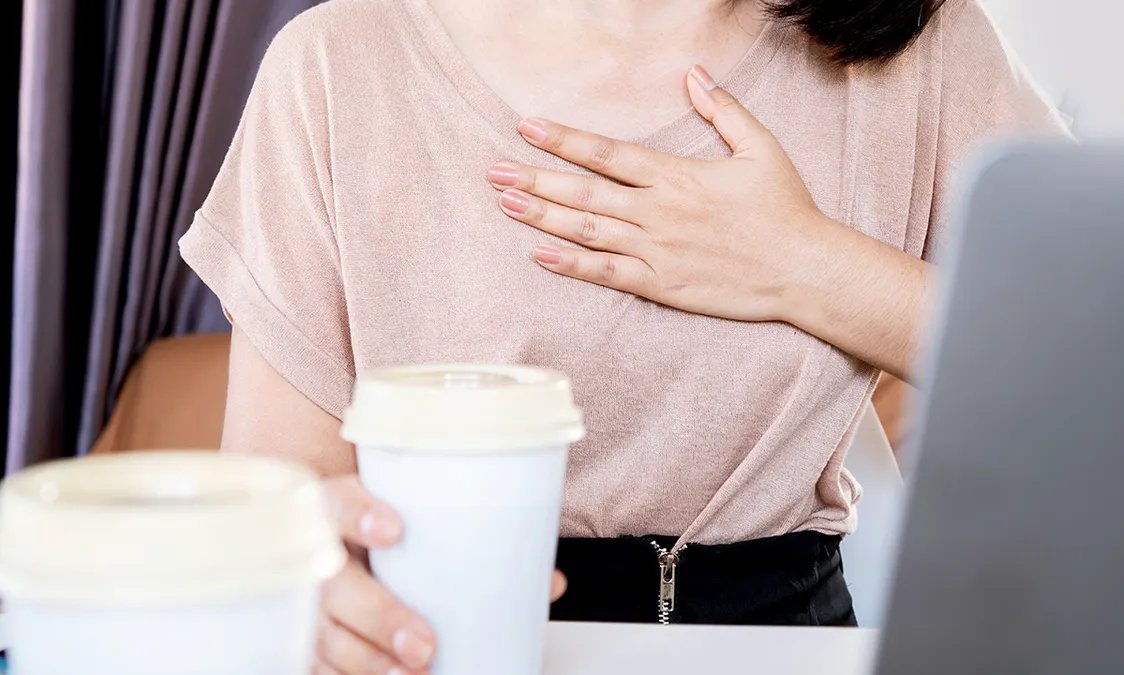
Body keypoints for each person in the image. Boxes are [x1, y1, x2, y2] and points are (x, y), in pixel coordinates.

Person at [179, 0, 1067, 672]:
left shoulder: (926, 50)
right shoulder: (338, 65)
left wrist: (805, 265)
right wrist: (308, 585)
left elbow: (1111, 382)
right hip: (446, 650)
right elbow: (285, 499)